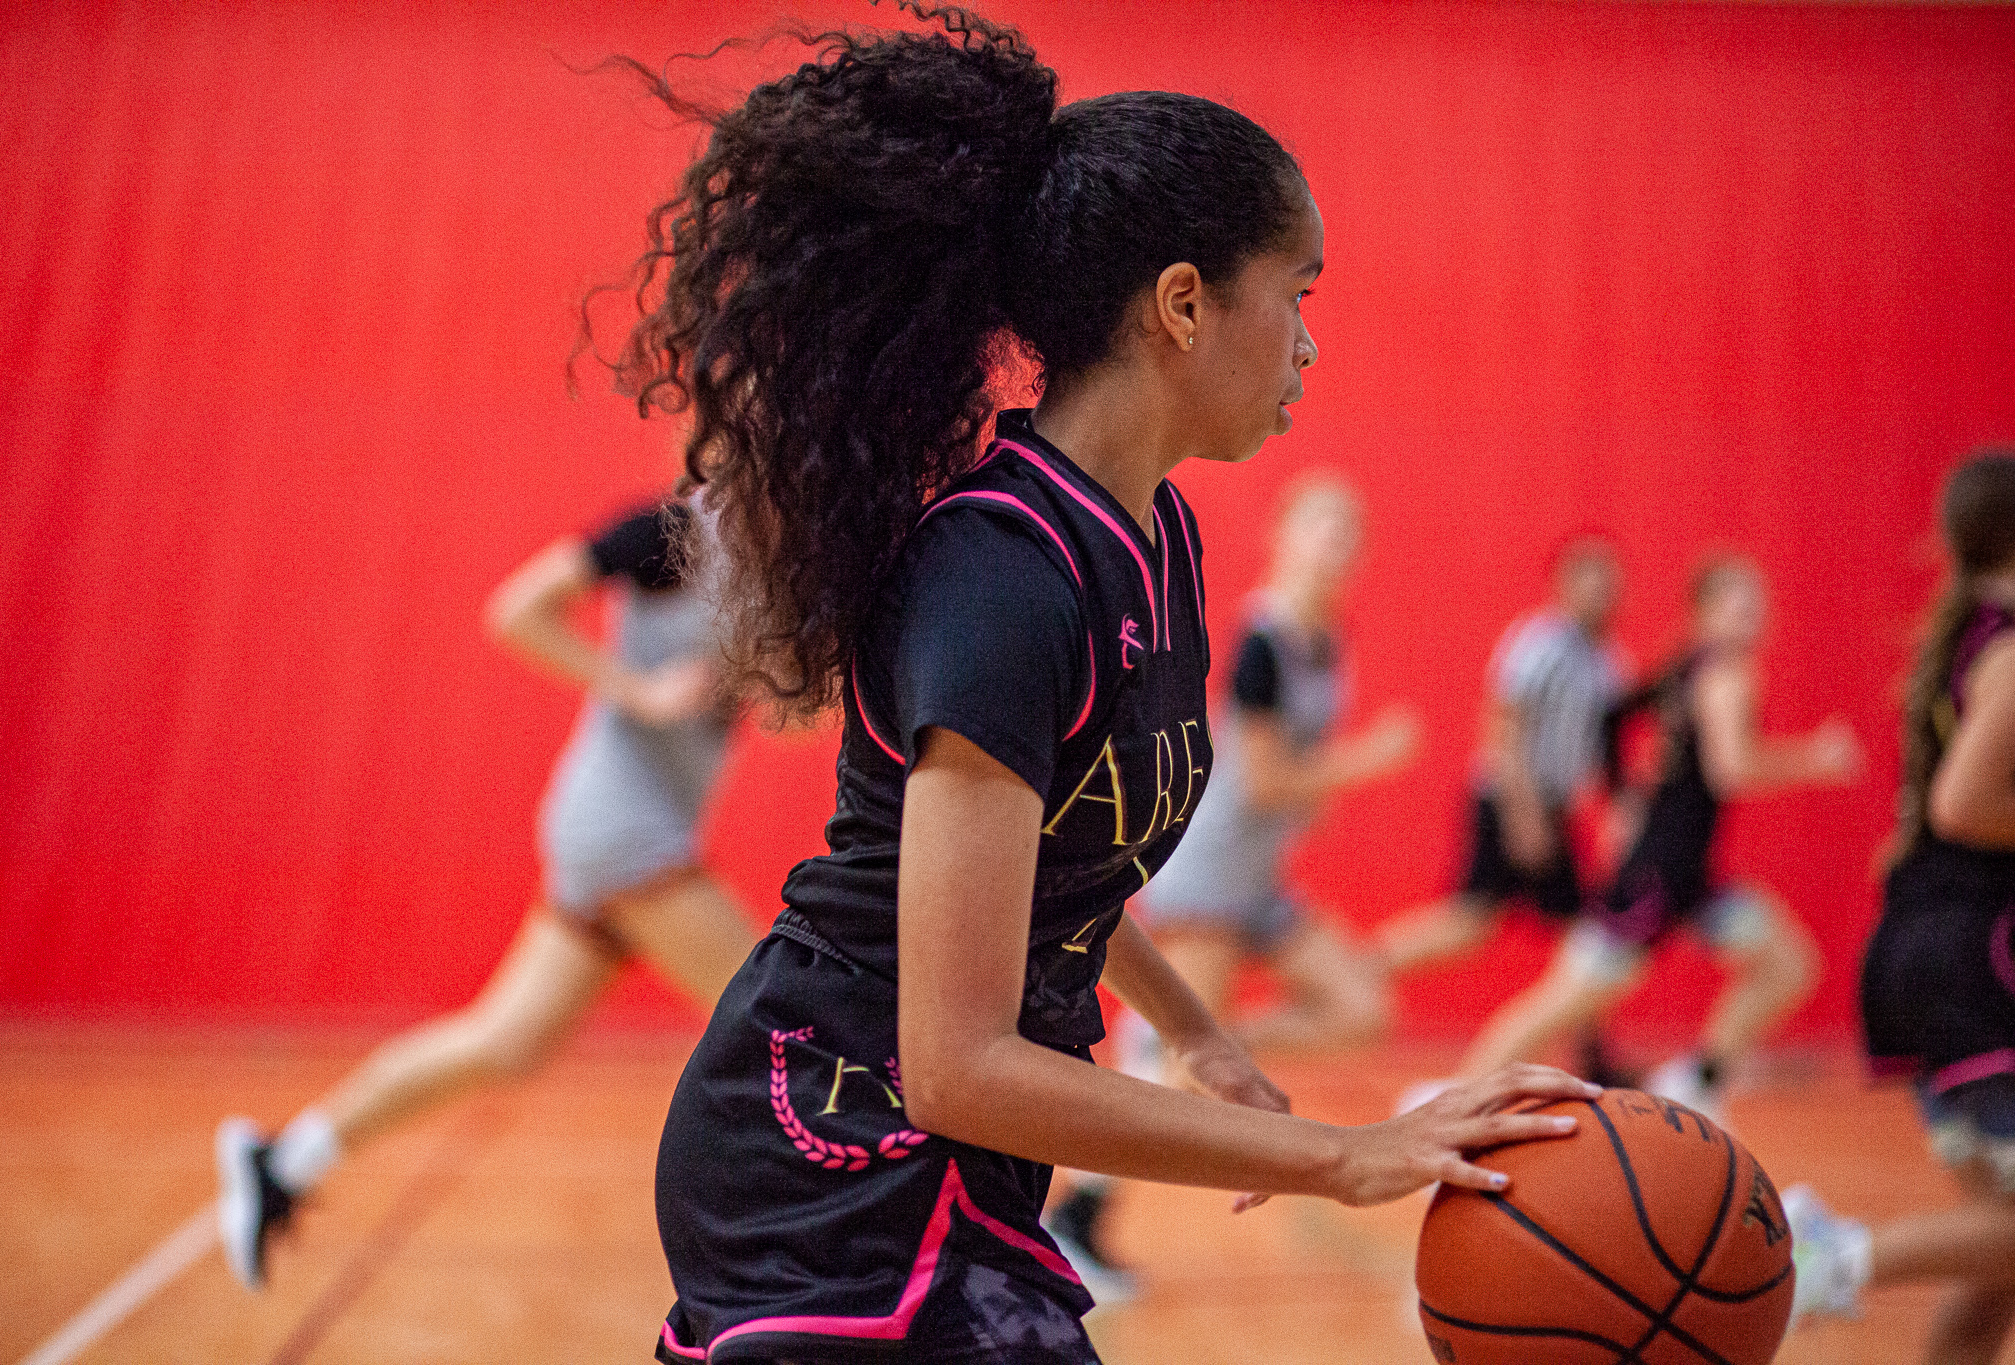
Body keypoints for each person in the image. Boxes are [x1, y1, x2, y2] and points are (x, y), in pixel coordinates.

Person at [612, 12, 1599, 1364]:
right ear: (1185, 303)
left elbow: (1059, 865)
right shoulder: (998, 576)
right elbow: (957, 1057)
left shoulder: (1155, 538)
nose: (1309, 345)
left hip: (946, 1157)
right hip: (835, 1156)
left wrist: (1200, 1039)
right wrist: (1338, 1153)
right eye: (1297, 291)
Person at [214, 498, 758, 1289]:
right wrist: (637, 691)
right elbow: (518, 611)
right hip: (624, 827)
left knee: (505, 1040)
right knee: (777, 1017)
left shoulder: (776, 559)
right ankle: (807, 1248)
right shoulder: (669, 532)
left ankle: (284, 1158)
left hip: (621, 828)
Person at [1043, 473, 1418, 1299]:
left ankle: (1208, 1043)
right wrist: (1371, 760)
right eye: (1320, 526)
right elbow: (1268, 781)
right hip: (1206, 873)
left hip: (1258, 880)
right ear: (1284, 535)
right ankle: (1072, 1217)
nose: (1335, 546)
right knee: (1175, 1063)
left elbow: (1288, 778)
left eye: (1347, 533)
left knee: (1361, 1004)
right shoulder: (1262, 642)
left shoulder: (1330, 638)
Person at [1442, 554, 1857, 1115]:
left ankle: (1696, 1080)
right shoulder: (1724, 672)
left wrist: (1624, 796)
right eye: (1737, 606)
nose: (1751, 618)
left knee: (1787, 963)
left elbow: (1615, 717)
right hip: (1654, 879)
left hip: (1694, 881)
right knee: (1561, 1002)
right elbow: (1731, 767)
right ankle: (1450, 1101)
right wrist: (1816, 758)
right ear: (1704, 612)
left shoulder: (1681, 669)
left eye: (1756, 606)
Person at [1787, 451, 2015, 1365]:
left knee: (1996, 1252)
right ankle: (1828, 1259)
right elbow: (1963, 803)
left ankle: (1833, 1258)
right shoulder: (2009, 644)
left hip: (1931, 949)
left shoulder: (1973, 635)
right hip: (1971, 959)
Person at [1375, 538, 1626, 980]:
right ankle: (1362, 966)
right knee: (1470, 922)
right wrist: (1522, 814)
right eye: (1589, 580)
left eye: (1607, 581)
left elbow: (1606, 750)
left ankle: (1590, 1042)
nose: (1600, 591)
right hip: (1511, 800)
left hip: (1554, 808)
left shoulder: (1607, 662)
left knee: (1582, 927)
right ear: (1562, 585)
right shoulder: (1539, 645)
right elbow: (1503, 732)